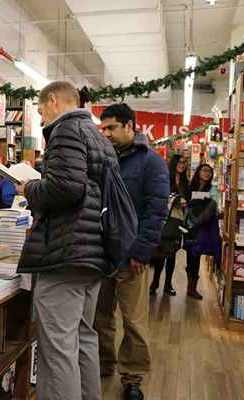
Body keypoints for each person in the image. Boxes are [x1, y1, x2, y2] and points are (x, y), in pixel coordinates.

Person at [16, 81, 115, 400]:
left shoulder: (65, 131)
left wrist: (29, 188)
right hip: (93, 253)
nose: (41, 116)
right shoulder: (98, 137)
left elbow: (66, 188)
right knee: (83, 339)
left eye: (41, 108)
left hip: (66, 253)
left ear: (54, 100)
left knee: (57, 348)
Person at [95, 103, 169, 400]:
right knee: (100, 317)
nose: (107, 134)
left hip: (132, 257)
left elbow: (156, 211)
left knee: (134, 321)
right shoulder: (103, 160)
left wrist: (141, 251)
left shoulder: (151, 162)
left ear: (130, 126)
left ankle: (132, 378)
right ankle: (102, 364)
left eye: (112, 128)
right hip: (101, 253)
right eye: (104, 129)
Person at [149, 154, 189, 296]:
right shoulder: (166, 178)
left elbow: (188, 199)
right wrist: (176, 199)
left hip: (178, 220)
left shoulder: (185, 182)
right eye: (180, 162)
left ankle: (168, 285)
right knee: (161, 253)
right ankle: (154, 283)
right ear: (174, 163)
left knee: (172, 253)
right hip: (165, 218)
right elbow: (161, 195)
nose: (182, 165)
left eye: (184, 162)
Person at [183, 163, 221, 300]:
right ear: (198, 171)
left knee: (196, 255)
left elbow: (211, 209)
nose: (207, 173)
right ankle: (189, 287)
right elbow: (185, 205)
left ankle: (192, 288)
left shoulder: (212, 189)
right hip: (188, 227)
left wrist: (196, 223)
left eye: (210, 171)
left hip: (201, 229)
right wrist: (187, 223)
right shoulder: (190, 187)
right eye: (204, 170)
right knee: (189, 256)